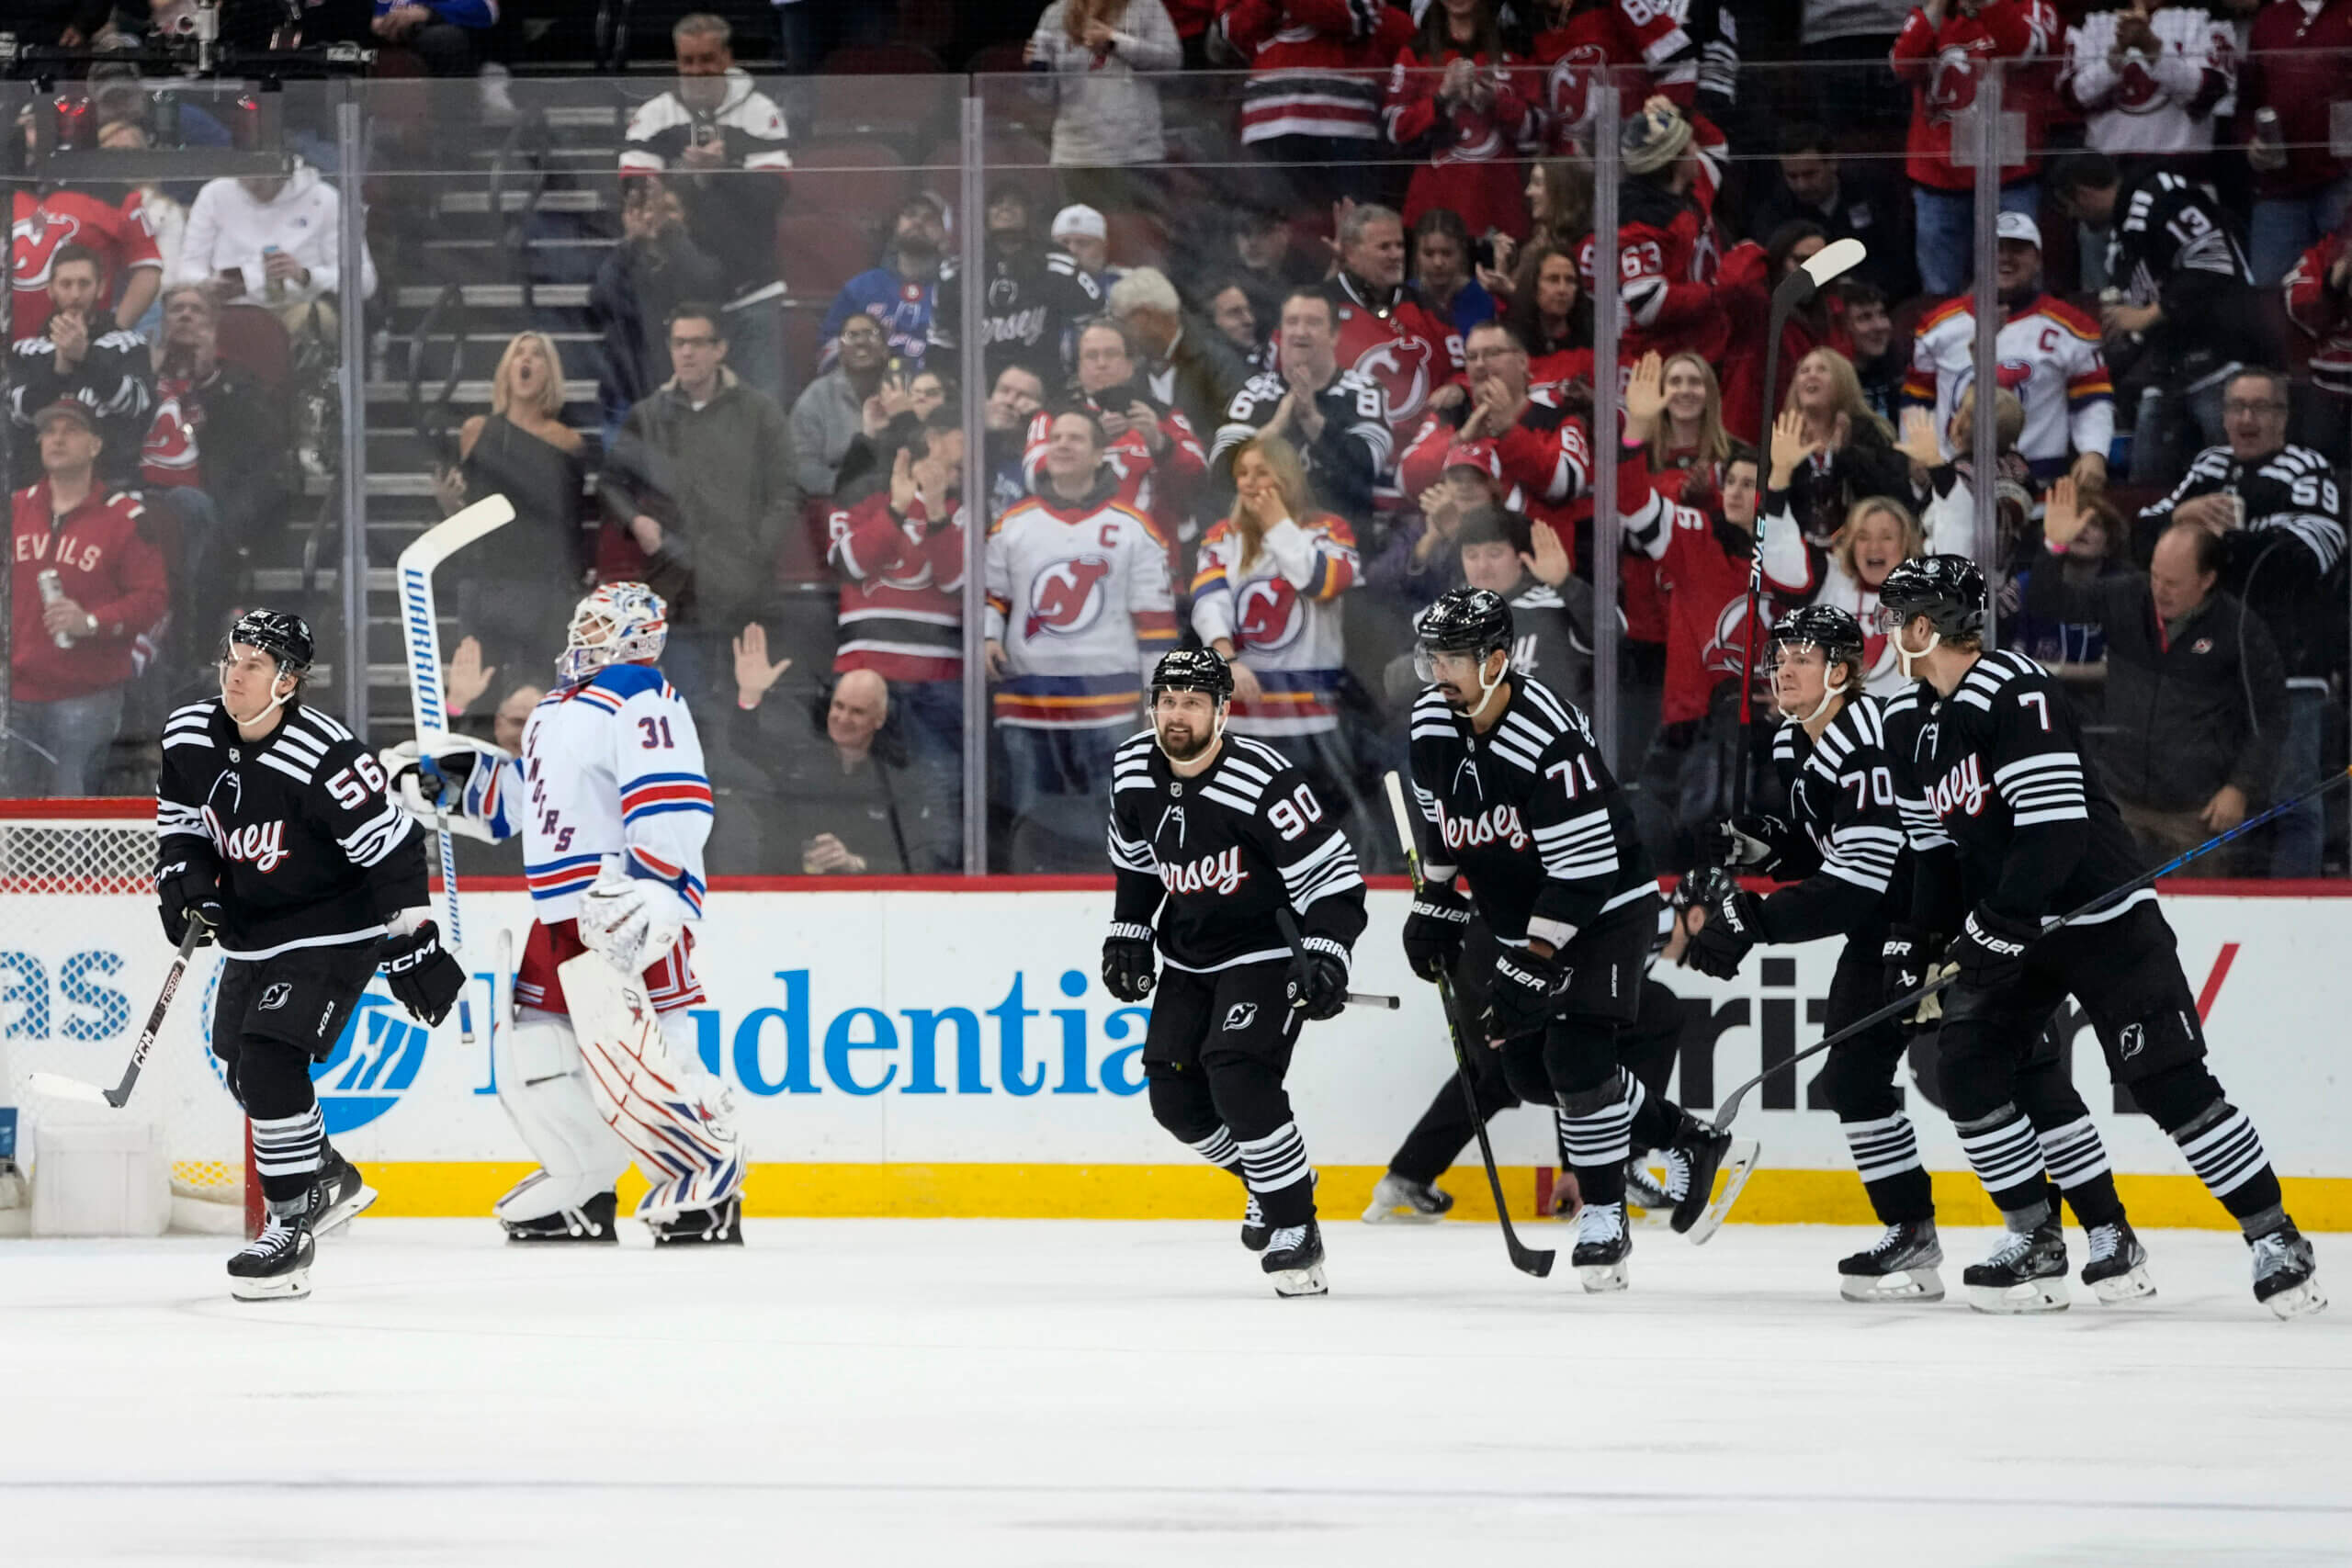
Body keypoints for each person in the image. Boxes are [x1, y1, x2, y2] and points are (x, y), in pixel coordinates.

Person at [1874, 554, 2324, 1317]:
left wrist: (1994, 922)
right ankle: (2035, 1236)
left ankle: (2274, 1234)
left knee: (2168, 1083)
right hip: (2022, 929)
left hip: (2102, 915)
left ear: (1923, 627)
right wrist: (1919, 943)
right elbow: (1935, 855)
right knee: (1971, 1066)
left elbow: (2055, 832)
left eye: (1895, 619)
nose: (1887, 634)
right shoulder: (1910, 725)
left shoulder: (2015, 690)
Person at [1689, 604, 2154, 1304]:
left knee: (2026, 1073)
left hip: (1946, 919)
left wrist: (1752, 918)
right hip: (1883, 931)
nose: (1782, 666)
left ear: (1841, 671)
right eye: (1779, 653)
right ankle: (1911, 1229)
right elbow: (1836, 846)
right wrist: (1772, 845)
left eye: (1801, 656)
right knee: (1853, 1078)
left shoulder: (1870, 740)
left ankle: (2107, 1228)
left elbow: (1858, 879)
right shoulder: (1795, 742)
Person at [1401, 587, 1755, 1291]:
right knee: (1525, 1073)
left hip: (1604, 906)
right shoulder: (1431, 722)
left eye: (1456, 658)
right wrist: (1437, 898)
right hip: (1517, 912)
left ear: (1498, 660)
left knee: (1576, 1051)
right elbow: (1445, 826)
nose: (1440, 672)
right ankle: (1689, 1137)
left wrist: (1535, 959)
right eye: (1433, 656)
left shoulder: (1546, 736)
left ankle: (1604, 1215)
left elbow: (1583, 871)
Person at [392, 583, 743, 1247]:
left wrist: (656, 888)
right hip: (555, 917)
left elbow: (673, 800)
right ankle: (583, 1183)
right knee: (536, 1056)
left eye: (599, 625)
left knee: (651, 1054)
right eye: (582, 620)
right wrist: (457, 787)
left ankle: (703, 1178)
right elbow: (533, 801)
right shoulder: (557, 708)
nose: (583, 633)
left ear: (636, 637)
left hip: (619, 910)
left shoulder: (642, 697)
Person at [158, 610, 463, 1298]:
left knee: (270, 1062)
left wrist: (415, 935)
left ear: (287, 683)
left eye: (254, 666)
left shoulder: (327, 756)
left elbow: (393, 846)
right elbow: (181, 830)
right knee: (243, 1069)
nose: (234, 674)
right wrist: (188, 887)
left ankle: (291, 1227)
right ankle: (324, 1172)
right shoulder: (188, 735)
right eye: (232, 659)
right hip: (255, 931)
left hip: (334, 927)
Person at [1102, 649, 1365, 1295]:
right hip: (1189, 954)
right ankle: (1276, 1178)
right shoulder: (1132, 768)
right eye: (1166, 700)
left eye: (1192, 701)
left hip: (1265, 950)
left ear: (1222, 711)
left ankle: (1294, 1228)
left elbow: (1335, 879)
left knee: (1237, 1073)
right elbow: (1136, 864)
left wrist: (1328, 950)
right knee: (1174, 1098)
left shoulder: (1262, 778)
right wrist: (1129, 929)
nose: (1176, 714)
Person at [2133, 367, 2347, 876]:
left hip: (2291, 667)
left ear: (2283, 416)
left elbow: (2307, 557)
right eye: (2236, 408)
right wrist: (2184, 515)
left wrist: (2215, 542)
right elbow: (2142, 538)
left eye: (2260, 408)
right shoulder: (2206, 467)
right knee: (2212, 806)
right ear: (2222, 416)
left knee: (2293, 804)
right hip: (2213, 674)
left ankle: (2295, 923)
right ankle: (2221, 915)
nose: (2246, 419)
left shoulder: (2307, 470)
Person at [1366, 885, 1686, 1225]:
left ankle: (1407, 1176)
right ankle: (1625, 1162)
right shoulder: (1655, 921)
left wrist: (1574, 1168)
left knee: (1494, 1075)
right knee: (1659, 1015)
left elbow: (1568, 1048)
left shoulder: (1644, 926)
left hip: (1485, 941)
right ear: (1695, 917)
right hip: (1510, 952)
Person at [1618, 356, 1818, 867]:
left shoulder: (1787, 545)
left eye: (1750, 484)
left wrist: (1778, 489)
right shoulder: (1690, 534)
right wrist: (1634, 435)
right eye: (1730, 481)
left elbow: (1792, 576)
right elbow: (1633, 504)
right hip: (1688, 729)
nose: (1734, 491)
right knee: (1663, 845)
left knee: (1771, 853)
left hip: (1773, 730)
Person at [2030, 480, 2286, 874]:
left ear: (2207, 580)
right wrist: (2054, 548)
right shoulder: (2128, 597)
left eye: (2173, 583)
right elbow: (2051, 602)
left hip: (2195, 814)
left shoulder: (2240, 631)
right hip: (2120, 801)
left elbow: (2269, 719)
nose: (2159, 591)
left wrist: (2240, 787)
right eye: (2154, 577)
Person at [985, 408, 1178, 857]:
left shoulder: (1135, 529)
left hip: (1107, 708)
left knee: (1115, 830)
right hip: (1027, 704)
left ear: (1099, 456)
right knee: (1028, 826)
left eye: (1076, 438)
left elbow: (1156, 623)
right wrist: (988, 636)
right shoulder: (1013, 524)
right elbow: (992, 596)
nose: (1063, 445)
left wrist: (1158, 702)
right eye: (1056, 438)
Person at [595, 301, 802, 709]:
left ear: (720, 349)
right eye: (678, 343)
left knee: (746, 713)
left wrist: (757, 546)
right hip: (674, 590)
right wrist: (636, 521)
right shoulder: (648, 415)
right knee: (687, 709)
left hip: (744, 592)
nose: (686, 352)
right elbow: (608, 484)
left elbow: (787, 489)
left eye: (696, 343)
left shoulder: (758, 412)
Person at [2048, 155, 2269, 488]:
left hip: (2224, 360)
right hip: (2168, 369)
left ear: (2081, 193)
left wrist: (2148, 314)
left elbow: (2216, 263)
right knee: (2145, 482)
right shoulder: (2122, 239)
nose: (2073, 218)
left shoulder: (2161, 199)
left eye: (2069, 207)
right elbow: (2139, 327)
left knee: (2233, 482)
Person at [617, 13, 795, 402]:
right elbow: (635, 190)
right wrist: (674, 190)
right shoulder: (654, 116)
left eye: (707, 59)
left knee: (762, 412)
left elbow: (773, 195)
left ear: (726, 58)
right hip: (683, 298)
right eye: (688, 61)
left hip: (753, 292)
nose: (697, 71)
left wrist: (722, 172)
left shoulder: (761, 113)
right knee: (687, 415)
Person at [822, 408, 968, 871]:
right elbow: (850, 565)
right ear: (908, 460)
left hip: (936, 682)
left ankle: (937, 881)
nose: (948, 471)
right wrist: (900, 508)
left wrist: (938, 511)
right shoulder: (860, 508)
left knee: (937, 792)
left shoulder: (963, 514)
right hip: (866, 677)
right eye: (942, 460)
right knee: (854, 789)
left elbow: (957, 581)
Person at [6, 400, 167, 795]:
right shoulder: (14, 508)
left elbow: (153, 598)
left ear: (95, 445)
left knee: (73, 828)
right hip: (17, 693)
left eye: (71, 430)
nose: (57, 439)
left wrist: (91, 621)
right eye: (50, 431)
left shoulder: (124, 516)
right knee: (9, 827)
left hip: (86, 694)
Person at [1190, 434, 1360, 805]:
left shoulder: (1329, 531)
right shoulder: (1223, 536)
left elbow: (1323, 583)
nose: (1248, 482)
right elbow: (1208, 601)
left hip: (1312, 721)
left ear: (1287, 478)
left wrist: (1279, 525)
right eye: (1242, 473)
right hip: (1242, 718)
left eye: (1261, 472)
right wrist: (1226, 660)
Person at [431, 332, 595, 685]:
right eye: (518, 354)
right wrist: (447, 503)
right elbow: (465, 510)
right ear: (506, 369)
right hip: (485, 578)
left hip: (542, 586)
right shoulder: (476, 430)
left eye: (536, 355)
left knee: (536, 690)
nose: (526, 360)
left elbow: (573, 519)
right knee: (477, 688)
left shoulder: (569, 441)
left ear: (549, 373)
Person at [140, 283, 291, 665]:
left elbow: (262, 443)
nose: (185, 316)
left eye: (196, 311)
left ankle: (191, 650)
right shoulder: (141, 378)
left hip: (209, 499)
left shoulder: (235, 381)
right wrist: (148, 377)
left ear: (212, 326)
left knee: (192, 511)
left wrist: (209, 381)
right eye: (177, 310)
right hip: (143, 491)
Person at [1904, 212, 2112, 487]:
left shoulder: (2073, 327)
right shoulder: (1936, 325)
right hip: (1952, 484)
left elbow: (2091, 400)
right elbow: (1919, 398)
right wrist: (1916, 449)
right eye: (1995, 248)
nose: (2004, 257)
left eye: (2018, 249)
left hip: (2040, 483)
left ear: (2038, 260)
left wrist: (2094, 453)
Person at [1890, 0, 2057, 299]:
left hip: (2009, 173)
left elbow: (2024, 50)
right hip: (1938, 178)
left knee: (2018, 286)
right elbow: (1903, 65)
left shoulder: (2030, 6)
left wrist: (1987, 6)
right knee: (1941, 290)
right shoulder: (1932, 15)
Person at [1210, 287, 1391, 525]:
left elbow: (1366, 468)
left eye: (1313, 322)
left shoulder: (1365, 392)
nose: (1300, 332)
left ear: (1335, 335)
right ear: (1281, 332)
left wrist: (1311, 419)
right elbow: (1220, 473)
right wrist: (1275, 427)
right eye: (1292, 322)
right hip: (1264, 537)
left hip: (1341, 535)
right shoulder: (1252, 393)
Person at [1021, 318, 1209, 546]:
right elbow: (1035, 476)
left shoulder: (1163, 416)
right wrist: (1091, 444)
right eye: (1091, 356)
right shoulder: (1053, 417)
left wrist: (1160, 443)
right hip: (1072, 549)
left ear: (1130, 364)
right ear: (1078, 366)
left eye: (1111, 354)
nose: (1101, 364)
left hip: (1152, 553)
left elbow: (1198, 480)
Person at [733, 662, 922, 875]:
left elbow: (920, 866)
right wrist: (749, 695)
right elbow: (745, 744)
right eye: (838, 706)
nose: (843, 718)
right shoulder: (800, 762)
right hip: (792, 893)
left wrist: (857, 864)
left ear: (879, 718)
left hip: (870, 900)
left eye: (857, 711)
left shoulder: (897, 780)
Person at [1220, 0, 1411, 209]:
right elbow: (1233, 28)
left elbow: (1356, 14)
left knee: (1353, 229)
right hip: (1268, 121)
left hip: (1345, 124)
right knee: (1274, 232)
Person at [1383, 0, 1541, 243]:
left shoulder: (1518, 48)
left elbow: (1543, 129)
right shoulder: (1417, 50)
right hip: (1433, 210)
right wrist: (1441, 98)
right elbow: (1393, 128)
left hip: (1501, 209)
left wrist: (1497, 103)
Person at [173, 161, 378, 338]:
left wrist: (305, 276)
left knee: (315, 316)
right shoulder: (214, 194)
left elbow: (364, 281)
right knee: (188, 316)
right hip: (228, 310)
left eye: (260, 179)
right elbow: (187, 268)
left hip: (296, 307)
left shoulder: (326, 199)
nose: (250, 183)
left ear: (283, 172)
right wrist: (206, 285)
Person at [6, 243, 153, 490]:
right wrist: (59, 369)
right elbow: (17, 413)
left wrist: (85, 356)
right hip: (36, 486)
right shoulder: (26, 350)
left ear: (101, 288)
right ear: (51, 290)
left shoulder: (129, 344)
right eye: (66, 284)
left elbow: (136, 404)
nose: (75, 295)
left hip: (113, 482)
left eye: (84, 284)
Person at [1318, 203, 1465, 447]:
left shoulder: (1426, 308)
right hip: (1343, 456)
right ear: (1351, 253)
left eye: (1399, 245)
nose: (1396, 255)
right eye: (1384, 247)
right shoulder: (1319, 306)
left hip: (1419, 456)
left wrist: (1458, 388)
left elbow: (1463, 371)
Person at [589, 179, 728, 435]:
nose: (652, 216)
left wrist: (670, 233)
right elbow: (601, 301)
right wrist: (631, 243)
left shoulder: (698, 260)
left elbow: (706, 284)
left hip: (687, 403)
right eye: (643, 210)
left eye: (667, 209)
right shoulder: (620, 262)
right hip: (627, 400)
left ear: (685, 216)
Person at [931, 185, 1104, 384]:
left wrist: (1076, 380)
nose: (1006, 208)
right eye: (998, 203)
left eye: (1015, 203)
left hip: (1045, 392)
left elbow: (1096, 323)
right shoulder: (957, 271)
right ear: (985, 215)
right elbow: (940, 341)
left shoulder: (1059, 267)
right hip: (973, 397)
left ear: (1029, 214)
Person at [1023, 0, 1182, 212]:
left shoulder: (1146, 6)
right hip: (1076, 154)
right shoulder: (1055, 13)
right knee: (1081, 239)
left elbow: (1172, 62)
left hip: (1135, 152)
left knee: (1138, 238)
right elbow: (1044, 97)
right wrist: (1037, 69)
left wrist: (1114, 42)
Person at [2234, 0, 2352, 287]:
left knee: (2341, 291)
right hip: (2279, 187)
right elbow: (2248, 102)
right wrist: (2251, 141)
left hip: (2344, 182)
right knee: (2269, 295)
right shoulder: (2269, 19)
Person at [1807, 491, 1964, 697]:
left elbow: (1959, 531)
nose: (1874, 547)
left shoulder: (1928, 597)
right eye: (1863, 537)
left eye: (1887, 537)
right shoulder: (1832, 588)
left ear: (1906, 543)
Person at [1742, 121, 1918, 302]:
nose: (1801, 186)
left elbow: (1899, 254)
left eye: (1810, 174)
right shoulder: (1776, 210)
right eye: (1792, 176)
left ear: (1832, 162)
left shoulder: (1872, 189)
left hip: (1881, 298)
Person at [2056, 3, 2236, 161]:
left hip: (2183, 167)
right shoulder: (2090, 20)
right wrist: (2115, 58)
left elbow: (2211, 91)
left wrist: (2153, 50)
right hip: (2108, 172)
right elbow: (2073, 98)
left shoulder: (2206, 16)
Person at [1773, 347, 1914, 548]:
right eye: (1804, 371)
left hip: (1860, 553)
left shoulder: (1872, 433)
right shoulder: (1782, 439)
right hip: (1795, 555)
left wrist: (1847, 455)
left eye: (1822, 369)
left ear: (1843, 382)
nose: (1811, 375)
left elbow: (1896, 500)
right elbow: (1770, 506)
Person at [7, 166, 163, 344]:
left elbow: (147, 270)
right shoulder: (8, 189)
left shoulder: (112, 194)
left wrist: (111, 333)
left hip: (86, 350)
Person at [1108, 265, 1253, 442]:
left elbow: (1239, 437)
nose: (1118, 333)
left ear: (1145, 318)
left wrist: (1174, 443)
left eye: (1122, 322)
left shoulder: (1219, 364)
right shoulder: (1136, 378)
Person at [818, 193, 945, 372]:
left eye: (929, 218)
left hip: (930, 392)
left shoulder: (955, 291)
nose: (917, 222)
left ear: (945, 233)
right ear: (896, 225)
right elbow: (828, 347)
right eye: (910, 214)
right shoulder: (860, 288)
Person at [789, 314, 893, 501]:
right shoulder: (816, 397)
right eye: (851, 335)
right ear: (840, 350)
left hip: (899, 498)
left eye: (870, 334)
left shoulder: (907, 390)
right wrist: (845, 487)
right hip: (835, 501)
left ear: (885, 348)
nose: (861, 341)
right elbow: (800, 465)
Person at [2283, 219, 2352, 461]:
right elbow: (2296, 302)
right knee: (2317, 457)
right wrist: (2335, 280)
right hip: (2327, 387)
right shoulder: (2332, 248)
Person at [1499, 242, 1591, 392]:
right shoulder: (1511, 342)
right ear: (1534, 286)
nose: (1563, 289)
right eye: (1553, 279)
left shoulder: (1592, 342)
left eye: (1570, 280)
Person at [1408, 209, 1498, 341]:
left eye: (1447, 253)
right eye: (1429, 253)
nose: (1438, 263)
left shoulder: (1483, 299)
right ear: (1417, 255)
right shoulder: (1405, 299)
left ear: (1461, 253)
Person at [1050, 205, 1118, 291]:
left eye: (1083, 243)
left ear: (1103, 247)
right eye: (1064, 243)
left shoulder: (1121, 288)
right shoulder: (1035, 284)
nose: (1072, 250)